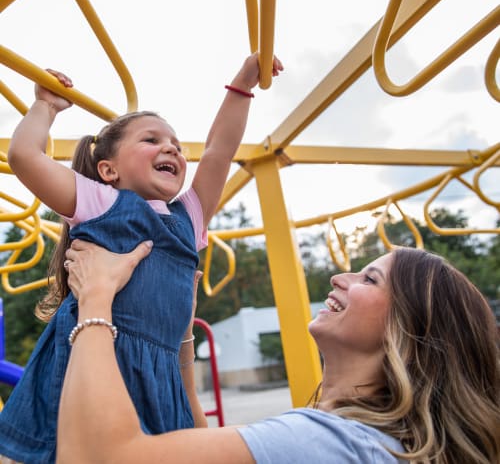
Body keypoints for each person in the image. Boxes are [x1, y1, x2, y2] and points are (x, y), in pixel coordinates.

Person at [0, 53, 283, 463]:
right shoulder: (100, 201)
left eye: (175, 145)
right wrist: (45, 105)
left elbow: (219, 151)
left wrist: (242, 86)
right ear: (108, 169)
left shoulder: (190, 216)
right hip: (94, 360)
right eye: (150, 140)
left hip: (160, 378)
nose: (170, 147)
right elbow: (25, 157)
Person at [56, 240, 500, 464]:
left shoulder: (330, 443)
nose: (339, 279)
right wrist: (180, 337)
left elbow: (98, 457)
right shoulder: (377, 444)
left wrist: (96, 297)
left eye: (369, 279)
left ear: (409, 326)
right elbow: (203, 444)